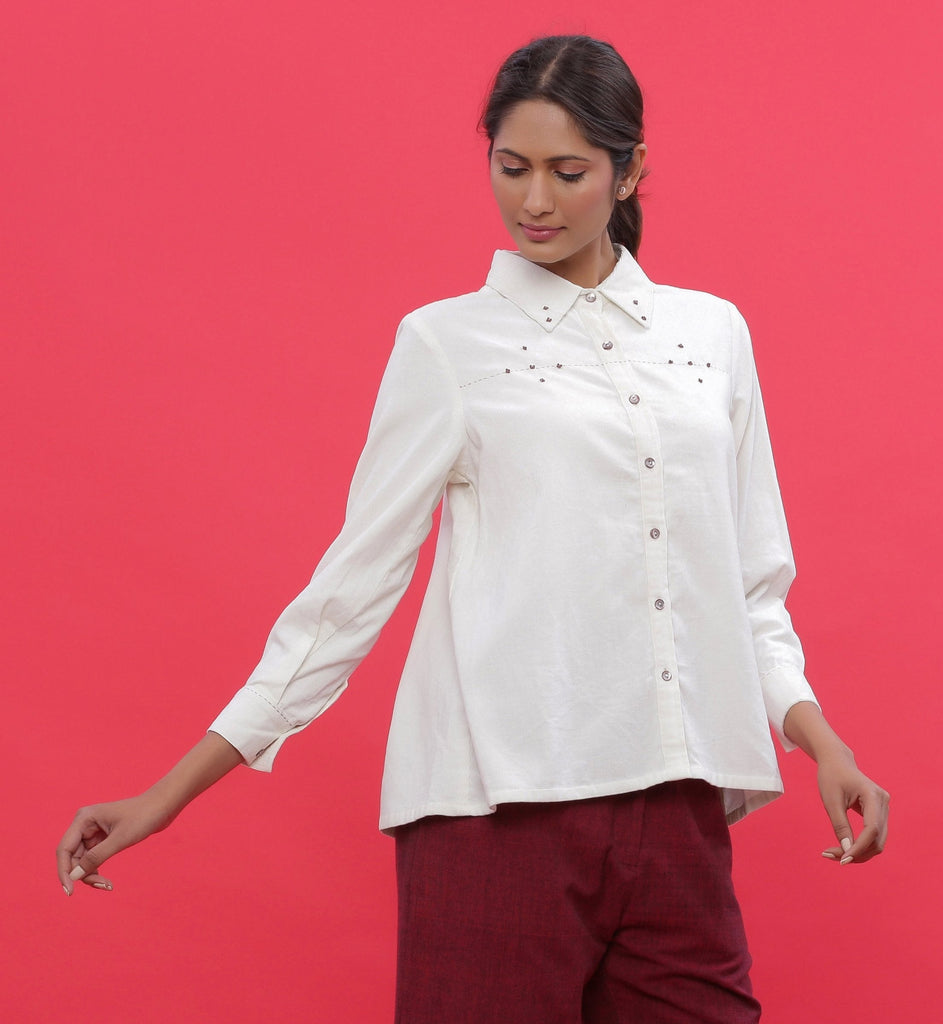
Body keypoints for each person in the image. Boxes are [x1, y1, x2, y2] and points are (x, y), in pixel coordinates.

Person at [57, 35, 889, 1023]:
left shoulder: (711, 337)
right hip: (493, 816)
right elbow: (347, 595)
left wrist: (818, 740)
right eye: (512, 167)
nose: (533, 201)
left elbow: (749, 589)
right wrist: (172, 790)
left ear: (632, 171)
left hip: (676, 813)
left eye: (568, 172)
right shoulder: (445, 345)